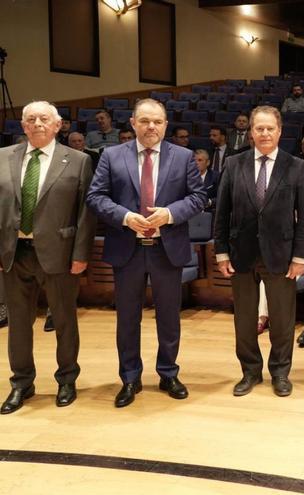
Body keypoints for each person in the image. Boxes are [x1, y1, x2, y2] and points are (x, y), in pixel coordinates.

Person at [86, 98, 206, 408]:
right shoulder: (111, 156)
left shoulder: (183, 157)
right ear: (133, 124)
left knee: (168, 317)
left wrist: (170, 213)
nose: (151, 126)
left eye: (157, 121)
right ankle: (129, 377)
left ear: (166, 125)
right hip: (127, 248)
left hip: (167, 249)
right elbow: (95, 196)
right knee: (127, 318)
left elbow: (198, 197)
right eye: (145, 121)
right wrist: (125, 217)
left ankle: (168, 372)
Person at [0, 101, 96, 414]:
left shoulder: (79, 160)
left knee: (65, 320)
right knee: (18, 322)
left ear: (57, 126)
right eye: (30, 119)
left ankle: (67, 379)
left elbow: (86, 212)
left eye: (44, 119)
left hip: (61, 254)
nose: (37, 123)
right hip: (14, 253)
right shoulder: (2, 157)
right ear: (23, 126)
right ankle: (22, 383)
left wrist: (81, 254)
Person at [213, 105, 304, 398]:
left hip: (281, 255)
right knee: (244, 320)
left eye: (270, 128)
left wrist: (299, 257)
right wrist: (220, 252)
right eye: (260, 128)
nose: (265, 133)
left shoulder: (295, 166)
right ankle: (250, 372)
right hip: (241, 253)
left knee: (282, 320)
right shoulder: (233, 164)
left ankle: (280, 372)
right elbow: (222, 212)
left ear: (280, 131)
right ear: (251, 132)